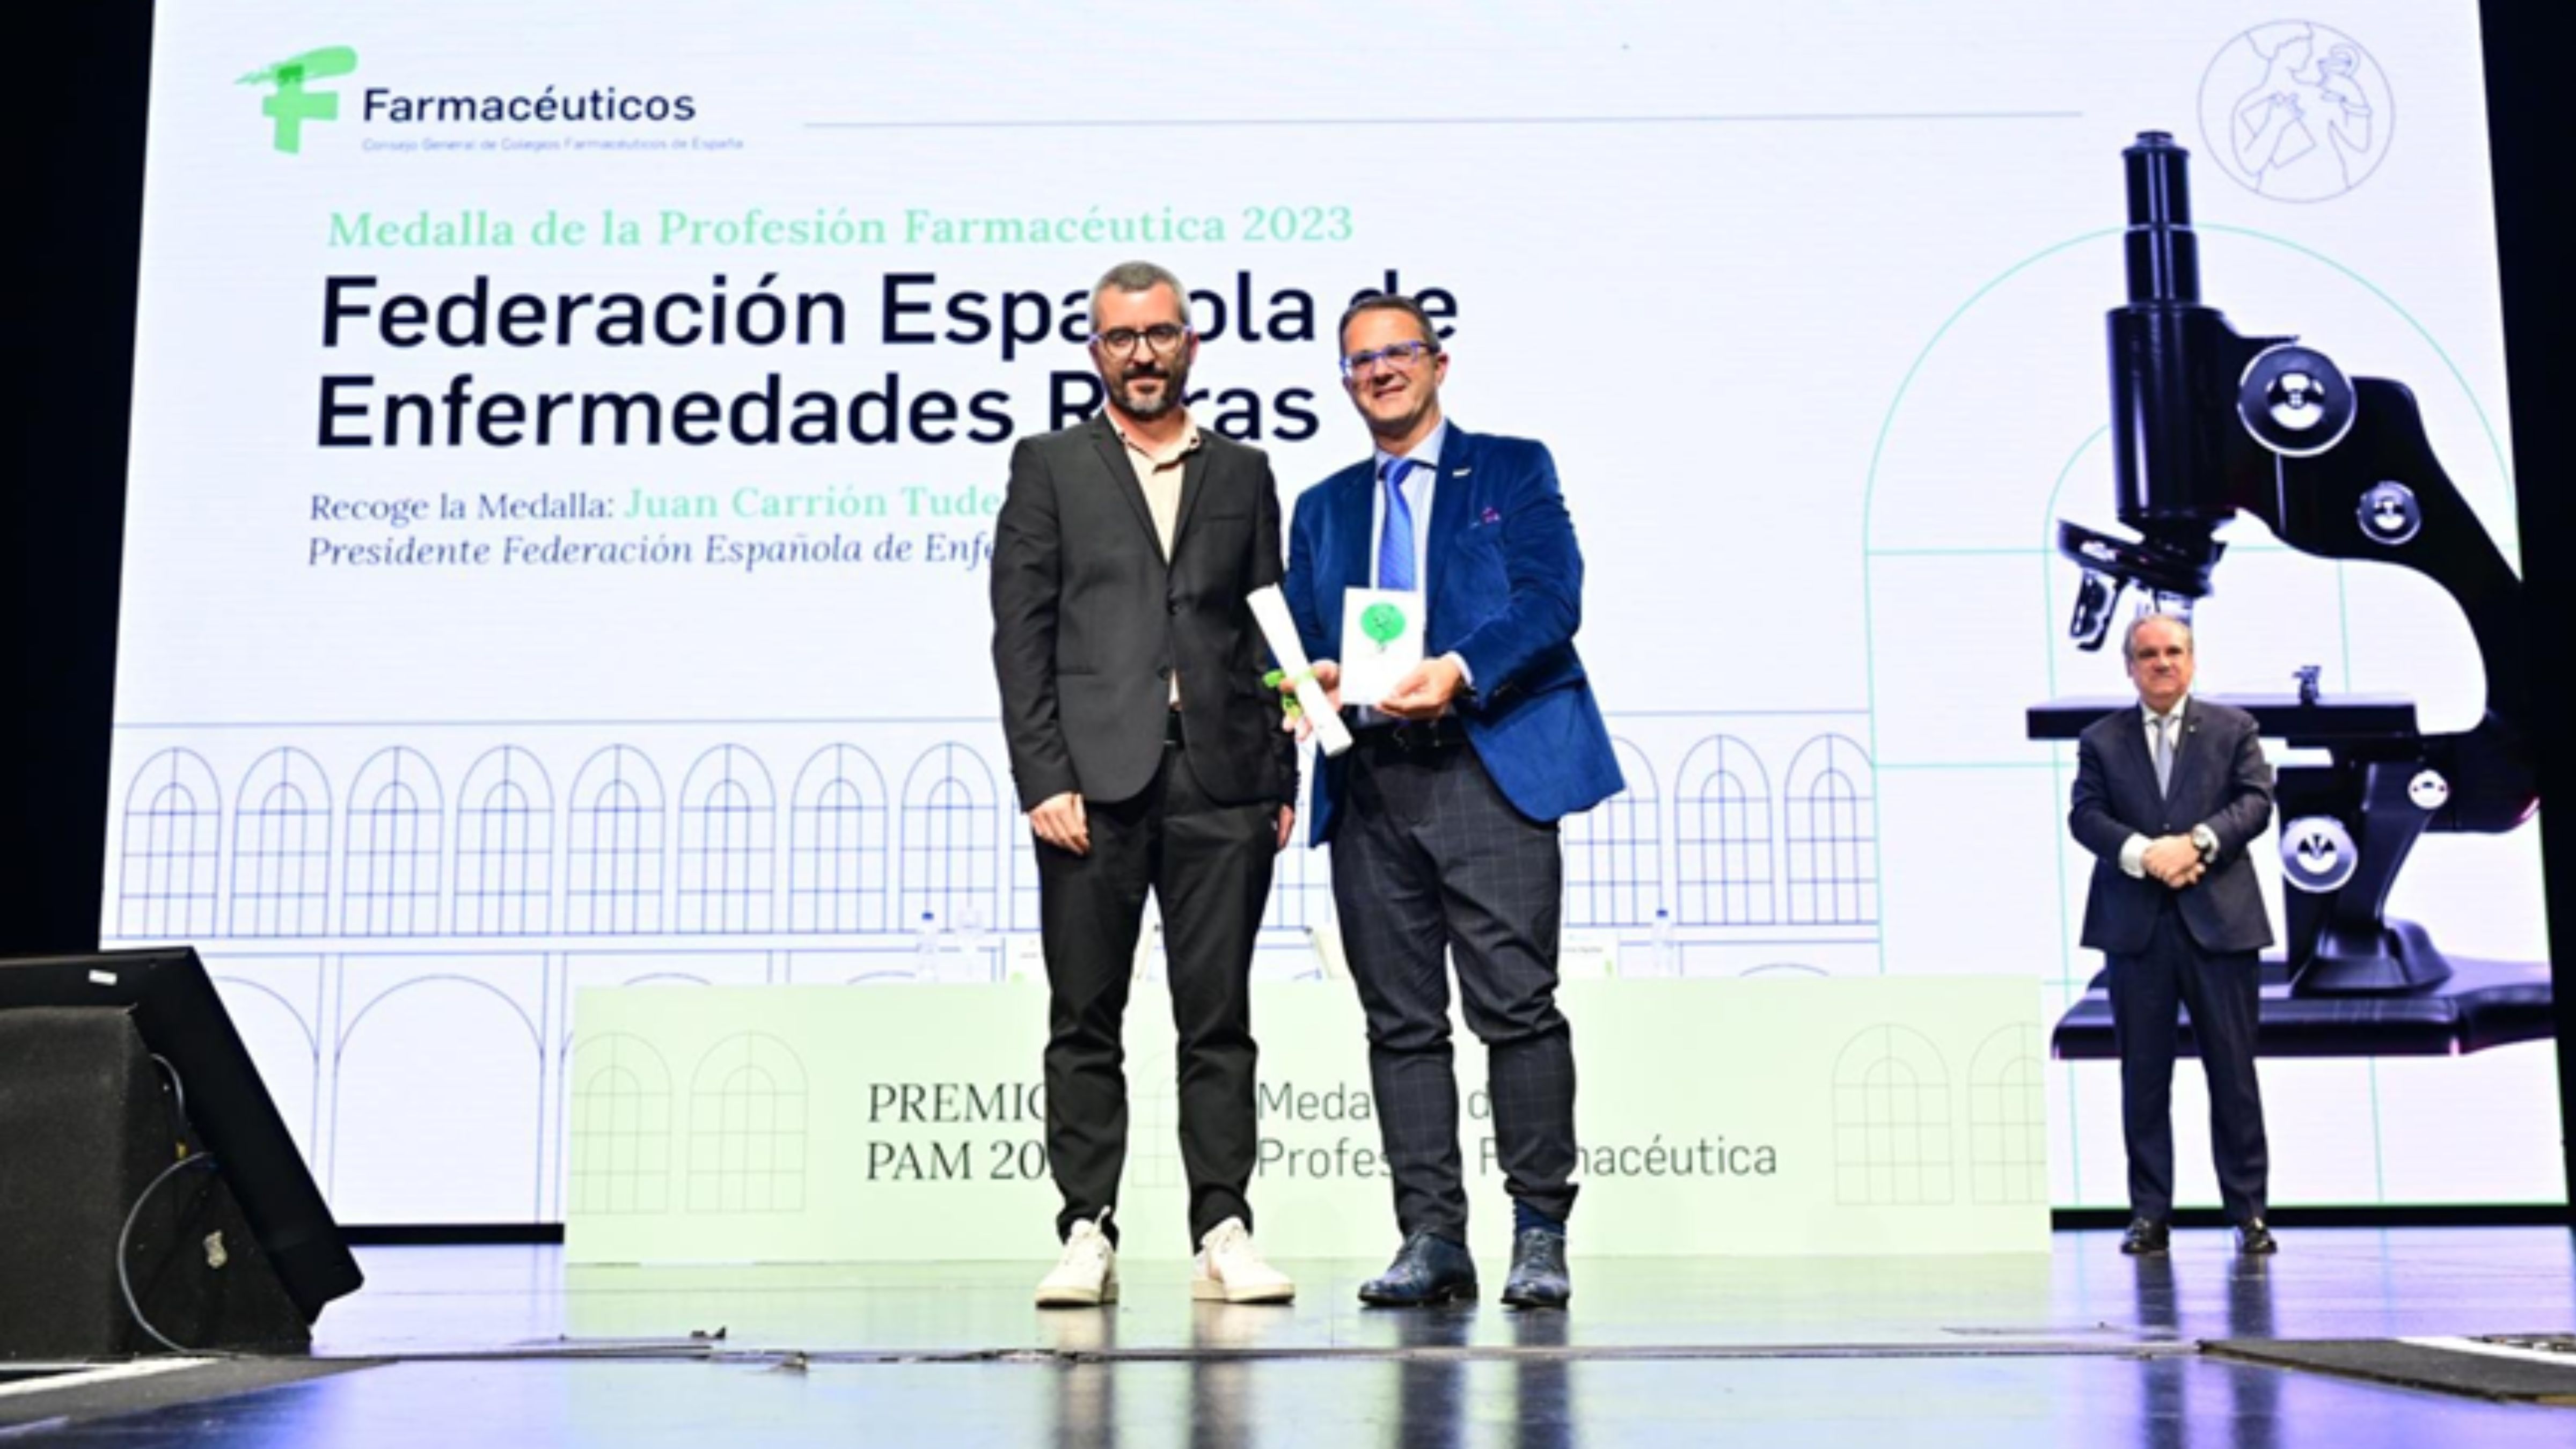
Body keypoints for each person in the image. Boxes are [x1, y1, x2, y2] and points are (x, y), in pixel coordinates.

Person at [1278, 292, 1622, 1308]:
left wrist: (1460, 668)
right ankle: (1431, 1237)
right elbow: (1296, 641)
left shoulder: (1511, 467)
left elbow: (1552, 602)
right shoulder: (1324, 505)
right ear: (1345, 382)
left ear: (1437, 363)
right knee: (1400, 1024)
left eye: (1398, 353)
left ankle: (1538, 1232)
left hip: (1483, 762)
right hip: (1371, 780)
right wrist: (1310, 680)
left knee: (1516, 1008)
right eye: (1359, 361)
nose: (1380, 371)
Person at [991, 261, 1300, 1307]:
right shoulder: (1049, 466)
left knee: (1217, 1018)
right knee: (1087, 1015)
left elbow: (1272, 625)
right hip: (1093, 783)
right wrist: (1043, 774)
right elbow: (1022, 636)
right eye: (1121, 337)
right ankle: (1088, 1228)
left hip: (1224, 782)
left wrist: (1281, 768)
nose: (1142, 354)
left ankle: (1224, 1228)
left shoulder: (1245, 472)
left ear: (1191, 343)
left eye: (1160, 334)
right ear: (1096, 350)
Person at [2068, 613, 2278, 1257]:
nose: (2162, 663)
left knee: (2233, 1076)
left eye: (2174, 651)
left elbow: (2257, 801)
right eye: (2148, 654)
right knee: (2144, 1077)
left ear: (2193, 659)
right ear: (2129, 667)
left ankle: (2249, 1216)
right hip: (2137, 932)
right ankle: (2149, 1216)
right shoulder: (2101, 740)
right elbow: (2085, 816)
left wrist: (2197, 844)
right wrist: (2142, 852)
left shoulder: (2232, 728)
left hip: (2221, 926)